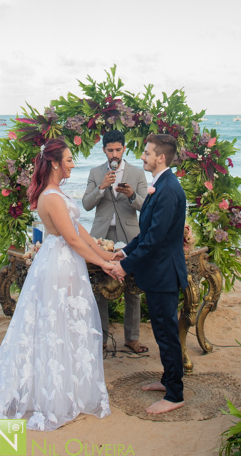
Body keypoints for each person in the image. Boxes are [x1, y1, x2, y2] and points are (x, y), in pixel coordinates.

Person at [0, 137, 116, 433]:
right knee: (54, 327)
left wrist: (106, 254)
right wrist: (105, 265)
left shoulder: (58, 192)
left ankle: (67, 391)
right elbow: (70, 239)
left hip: (67, 262)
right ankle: (51, 398)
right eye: (70, 160)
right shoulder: (50, 197)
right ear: (56, 163)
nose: (73, 164)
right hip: (59, 263)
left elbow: (80, 231)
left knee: (67, 324)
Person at [110, 133, 188, 415]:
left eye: (146, 153)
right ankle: (168, 381)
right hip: (158, 273)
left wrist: (124, 267)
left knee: (167, 334)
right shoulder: (162, 183)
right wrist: (126, 252)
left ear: (161, 158)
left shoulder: (167, 189)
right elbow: (147, 233)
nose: (142, 157)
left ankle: (175, 394)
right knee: (161, 332)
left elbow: (155, 239)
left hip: (164, 274)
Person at [82, 129, 149, 354]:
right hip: (101, 237)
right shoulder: (95, 172)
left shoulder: (137, 173)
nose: (114, 154)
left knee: (133, 287)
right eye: (110, 150)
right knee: (100, 287)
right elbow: (86, 204)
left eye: (118, 150)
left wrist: (131, 195)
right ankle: (100, 338)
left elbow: (146, 206)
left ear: (124, 149)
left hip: (129, 236)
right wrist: (101, 187)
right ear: (104, 151)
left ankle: (132, 338)